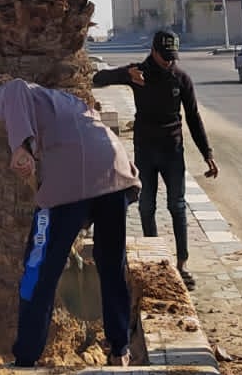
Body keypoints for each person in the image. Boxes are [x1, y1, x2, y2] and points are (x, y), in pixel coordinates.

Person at [0, 76, 140, 368]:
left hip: (74, 178)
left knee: (38, 269)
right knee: (112, 264)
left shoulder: (8, 92)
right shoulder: (62, 101)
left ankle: (26, 357)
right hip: (114, 170)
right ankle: (120, 350)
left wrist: (20, 147)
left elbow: (15, 88)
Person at [92, 28, 217, 289]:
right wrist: (124, 74)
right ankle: (156, 262)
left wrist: (207, 154)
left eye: (172, 57)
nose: (169, 62)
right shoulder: (138, 73)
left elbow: (193, 118)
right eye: (164, 56)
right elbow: (98, 79)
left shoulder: (181, 79)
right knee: (146, 206)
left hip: (173, 151)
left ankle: (182, 264)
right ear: (153, 51)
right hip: (146, 152)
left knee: (177, 206)